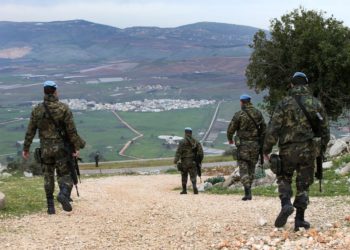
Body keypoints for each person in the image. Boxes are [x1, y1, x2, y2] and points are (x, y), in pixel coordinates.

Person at [263, 72, 330, 231]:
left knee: (284, 177)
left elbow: (273, 128)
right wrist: (322, 149)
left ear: (292, 85)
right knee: (303, 184)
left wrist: (266, 149)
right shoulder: (315, 103)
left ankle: (286, 204)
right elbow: (325, 129)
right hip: (308, 149)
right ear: (306, 85)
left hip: (287, 150)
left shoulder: (283, 103)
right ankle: (300, 219)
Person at [22, 80, 86, 214]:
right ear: (55, 91)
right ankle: (63, 194)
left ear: (44, 92)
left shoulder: (37, 110)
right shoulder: (63, 108)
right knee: (65, 174)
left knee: (48, 176)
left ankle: (50, 207)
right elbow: (71, 131)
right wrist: (77, 146)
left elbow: (30, 131)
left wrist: (26, 148)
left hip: (45, 150)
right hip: (61, 149)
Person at [227, 94, 266, 200]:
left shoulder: (239, 114)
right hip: (255, 145)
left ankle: (247, 191)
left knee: (243, 169)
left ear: (241, 102)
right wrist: (261, 142)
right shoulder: (258, 113)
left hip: (243, 146)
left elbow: (231, 129)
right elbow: (263, 129)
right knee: (252, 168)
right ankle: (249, 189)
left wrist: (230, 139)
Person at [174, 127, 203, 194]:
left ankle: (184, 190)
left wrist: (176, 160)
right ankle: (194, 187)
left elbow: (178, 152)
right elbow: (201, 152)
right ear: (191, 133)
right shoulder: (196, 142)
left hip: (184, 161)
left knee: (184, 175)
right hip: (193, 161)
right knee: (193, 175)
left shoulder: (182, 142)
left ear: (185, 133)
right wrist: (199, 160)